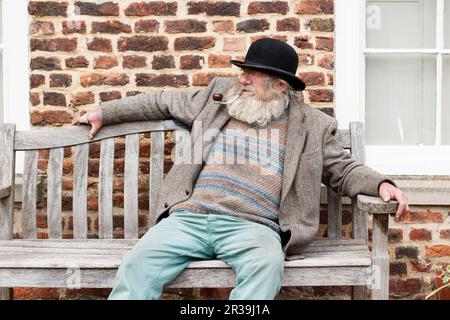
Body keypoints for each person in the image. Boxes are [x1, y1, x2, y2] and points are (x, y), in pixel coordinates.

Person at [73, 38, 409, 300]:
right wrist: (105, 112)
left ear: (280, 84)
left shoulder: (312, 126)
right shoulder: (219, 98)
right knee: (138, 264)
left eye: (252, 74)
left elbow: (343, 171)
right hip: (190, 218)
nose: (242, 78)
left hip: (254, 228)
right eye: (242, 71)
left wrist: (381, 184)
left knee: (267, 267)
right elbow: (161, 100)